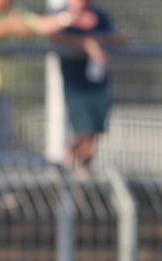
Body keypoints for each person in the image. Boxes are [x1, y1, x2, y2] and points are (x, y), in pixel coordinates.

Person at [0, 0, 74, 160]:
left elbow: (39, 25)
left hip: (0, 86)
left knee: (0, 142)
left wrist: (69, 18)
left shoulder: (13, 10)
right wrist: (9, 25)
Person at [52, 0, 124, 174]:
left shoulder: (99, 16)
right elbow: (54, 35)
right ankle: (64, 161)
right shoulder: (62, 16)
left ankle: (83, 174)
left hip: (98, 83)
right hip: (76, 85)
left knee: (93, 134)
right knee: (85, 128)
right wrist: (84, 43)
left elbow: (119, 37)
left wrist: (98, 40)